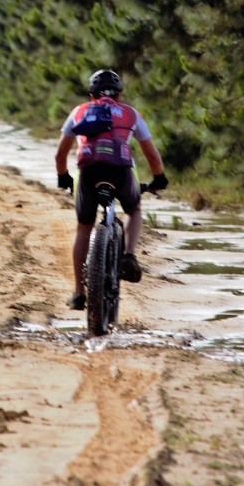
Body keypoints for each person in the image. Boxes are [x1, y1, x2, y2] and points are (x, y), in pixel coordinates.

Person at [55, 69, 168, 310]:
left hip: (88, 171)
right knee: (134, 209)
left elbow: (60, 153)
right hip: (120, 170)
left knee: (83, 229)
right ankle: (128, 254)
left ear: (91, 93)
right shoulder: (131, 113)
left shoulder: (79, 111)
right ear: (119, 94)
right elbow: (151, 153)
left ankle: (77, 293)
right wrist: (159, 178)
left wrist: (63, 177)